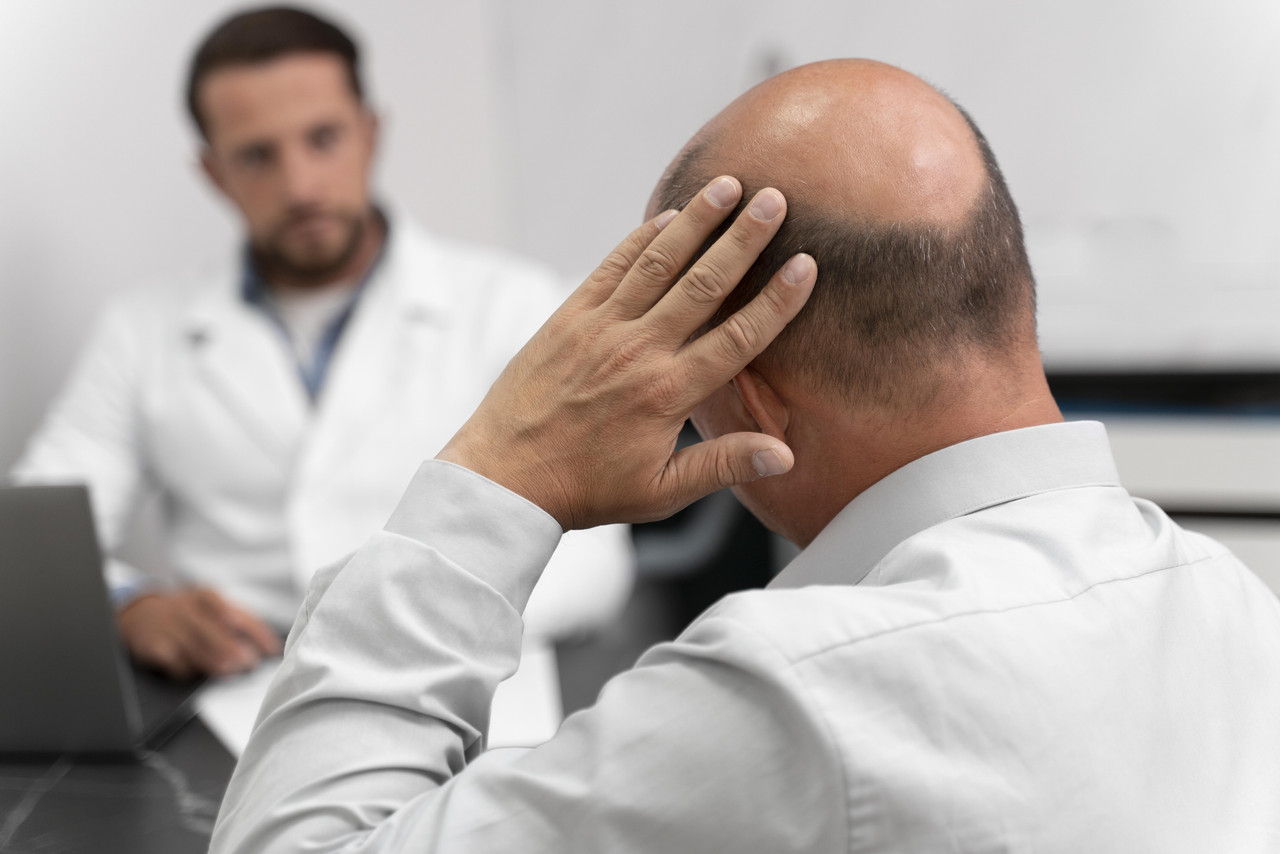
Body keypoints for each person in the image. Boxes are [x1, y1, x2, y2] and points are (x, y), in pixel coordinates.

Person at [210, 60, 1280, 852]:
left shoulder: (799, 691)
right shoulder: (1235, 608)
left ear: (745, 387)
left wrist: (498, 469)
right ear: (1004, 293)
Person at [10, 5, 633, 723]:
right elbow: (37, 544)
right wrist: (131, 605)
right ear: (213, 173)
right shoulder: (143, 330)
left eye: (323, 139)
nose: (301, 185)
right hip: (243, 703)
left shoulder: (513, 304)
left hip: (471, 691)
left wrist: (384, 631)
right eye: (256, 156)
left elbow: (593, 567)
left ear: (371, 134)